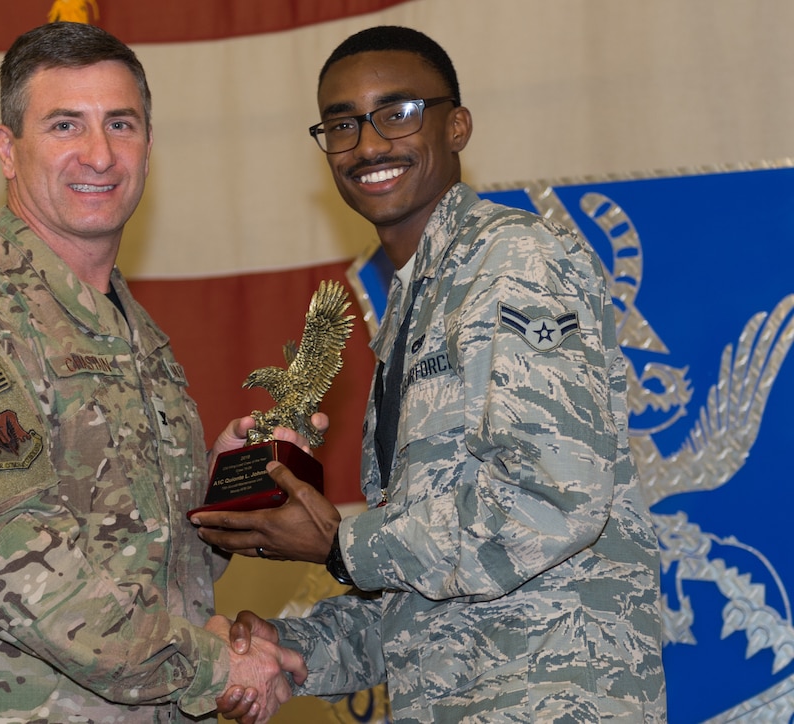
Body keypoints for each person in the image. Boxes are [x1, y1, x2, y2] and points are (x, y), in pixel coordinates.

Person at [193, 25, 667, 722]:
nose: (368, 144)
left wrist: (340, 544)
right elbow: (427, 596)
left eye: (398, 113)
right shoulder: (414, 306)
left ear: (458, 126)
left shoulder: (511, 262)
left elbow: (552, 500)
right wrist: (292, 651)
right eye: (342, 124)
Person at [0, 21, 308, 723]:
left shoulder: (132, 333)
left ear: (148, 149)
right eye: (65, 124)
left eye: (120, 124)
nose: (98, 155)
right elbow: (10, 566)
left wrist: (225, 491)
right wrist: (215, 666)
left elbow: (145, 561)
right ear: (8, 150)